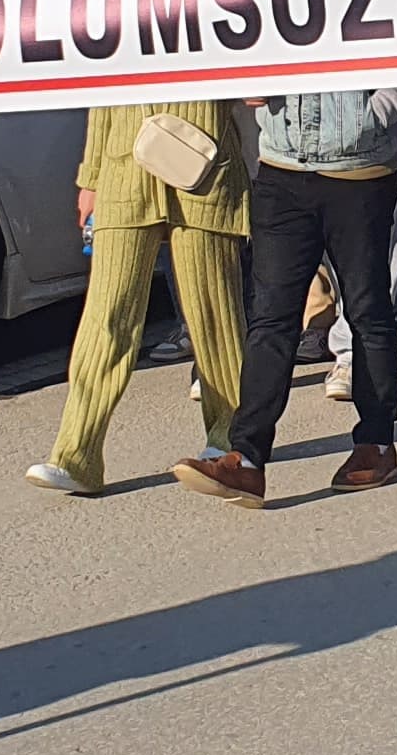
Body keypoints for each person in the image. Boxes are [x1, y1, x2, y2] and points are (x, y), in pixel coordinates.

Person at [174, 84, 397, 504]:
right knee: (270, 318)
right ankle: (246, 459)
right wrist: (246, 83)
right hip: (280, 167)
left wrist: (376, 112)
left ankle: (376, 443)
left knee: (367, 310)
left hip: (360, 170)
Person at [31, 99, 249, 497]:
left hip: (205, 167)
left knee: (214, 316)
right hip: (124, 171)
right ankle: (75, 454)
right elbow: (106, 86)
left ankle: (229, 438)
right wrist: (91, 178)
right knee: (106, 315)